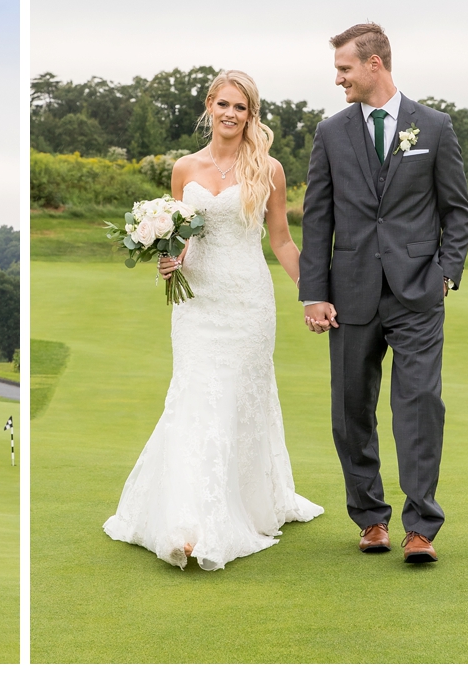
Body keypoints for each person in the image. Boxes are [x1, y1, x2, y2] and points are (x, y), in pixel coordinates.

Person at [103, 70, 323, 571]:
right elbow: (182, 235)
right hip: (196, 305)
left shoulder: (268, 169)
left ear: (251, 115)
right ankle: (188, 521)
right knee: (197, 396)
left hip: (247, 301)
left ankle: (235, 508)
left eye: (241, 107)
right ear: (209, 106)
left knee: (235, 400)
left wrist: (312, 292)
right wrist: (168, 258)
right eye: (223, 103)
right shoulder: (184, 168)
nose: (231, 114)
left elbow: (282, 241)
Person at [299, 23, 468, 563]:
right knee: (351, 410)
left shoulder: (435, 127)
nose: (338, 79)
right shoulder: (331, 133)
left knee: (420, 405)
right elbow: (317, 218)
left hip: (418, 292)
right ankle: (370, 518)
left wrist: (446, 272)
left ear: (375, 64)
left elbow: (457, 212)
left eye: (345, 69)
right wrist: (314, 293)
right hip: (349, 294)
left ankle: (421, 527)